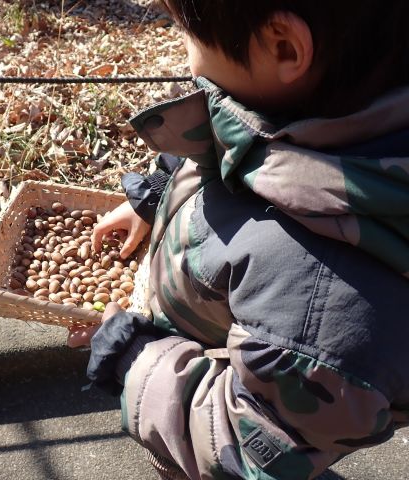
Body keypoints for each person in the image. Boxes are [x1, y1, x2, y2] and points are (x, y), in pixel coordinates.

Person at [67, 1, 409, 479]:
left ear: (283, 47)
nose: (183, 49)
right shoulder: (328, 104)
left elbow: (245, 451)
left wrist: (134, 359)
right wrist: (164, 195)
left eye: (185, 30)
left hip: (217, 413)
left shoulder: (321, 314)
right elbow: (240, 145)